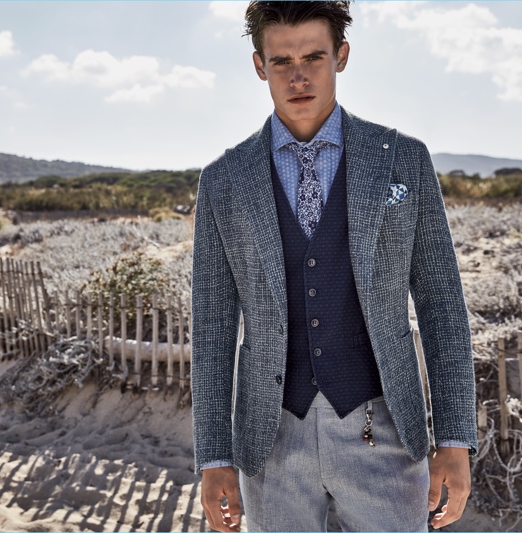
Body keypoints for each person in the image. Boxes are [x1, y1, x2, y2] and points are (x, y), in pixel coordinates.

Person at [190, 1, 478, 532]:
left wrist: (455, 439)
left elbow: (441, 304)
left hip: (385, 431)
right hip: (270, 442)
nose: (297, 76)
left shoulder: (403, 159)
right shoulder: (223, 179)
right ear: (259, 66)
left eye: (313, 58)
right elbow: (211, 328)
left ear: (341, 56)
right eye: (281, 61)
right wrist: (213, 457)